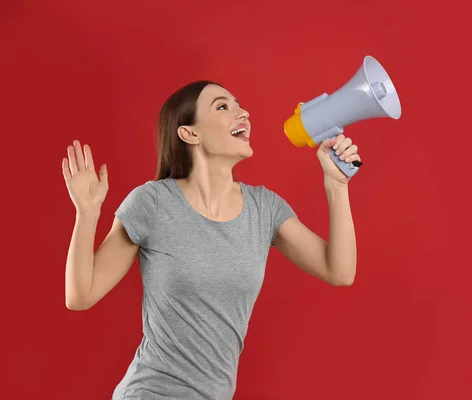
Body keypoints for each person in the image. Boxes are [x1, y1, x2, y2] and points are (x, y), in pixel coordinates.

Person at [62, 80, 361, 399]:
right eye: (223, 106)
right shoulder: (153, 203)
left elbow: (339, 271)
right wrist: (87, 213)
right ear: (190, 133)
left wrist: (337, 186)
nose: (243, 113)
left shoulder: (265, 209)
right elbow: (81, 296)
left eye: (239, 104)